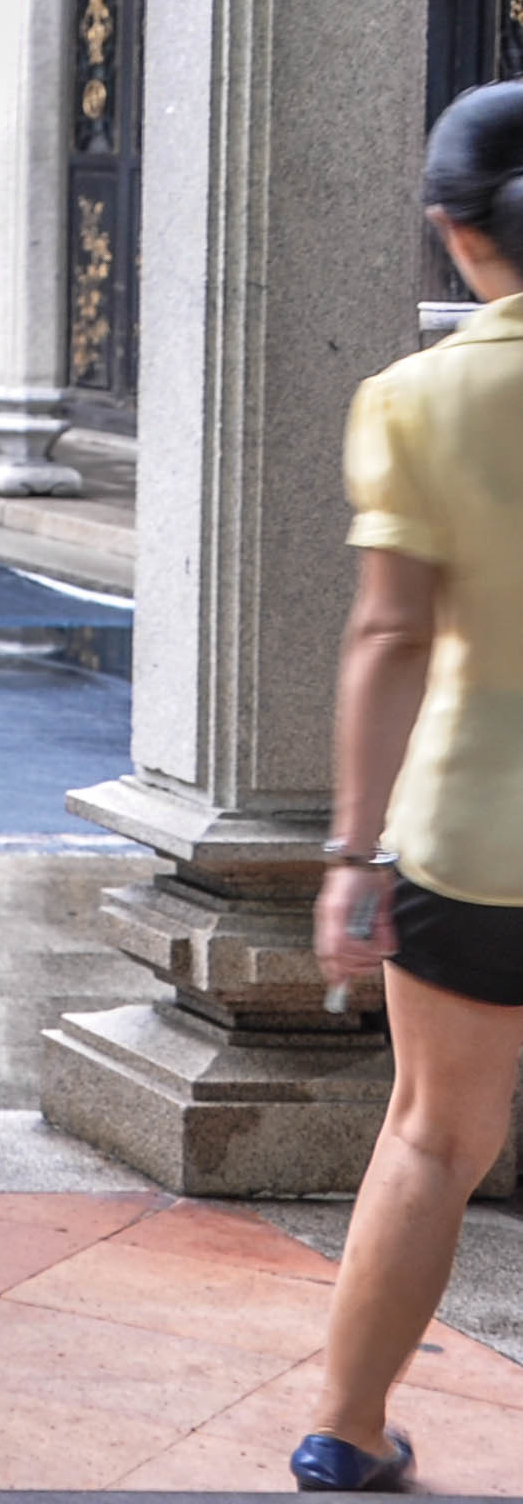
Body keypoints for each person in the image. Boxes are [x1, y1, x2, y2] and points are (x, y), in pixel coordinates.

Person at [303, 80, 523, 1491]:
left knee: (434, 1136)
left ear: (454, 229)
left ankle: (347, 1431)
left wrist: (350, 854)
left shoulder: (415, 400)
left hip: (472, 836)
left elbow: (388, 635)